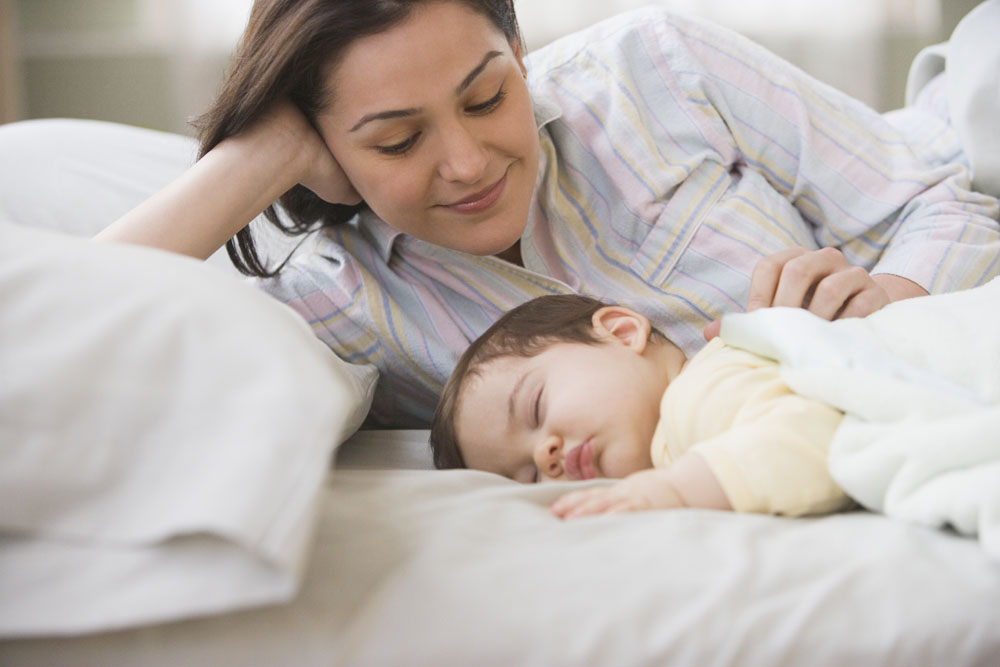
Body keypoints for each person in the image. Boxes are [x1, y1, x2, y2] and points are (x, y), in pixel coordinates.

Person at [95, 0, 1000, 428]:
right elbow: (63, 328)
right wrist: (260, 156)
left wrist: (889, 298)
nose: (468, 163)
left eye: (488, 97)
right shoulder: (343, 303)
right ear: (329, 153)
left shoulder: (655, 66)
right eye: (397, 142)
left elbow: (936, 193)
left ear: (521, 54)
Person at [428, 293, 850, 519]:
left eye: (536, 408)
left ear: (621, 332)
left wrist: (677, 489)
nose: (545, 454)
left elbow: (821, 436)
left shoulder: (703, 388)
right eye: (527, 475)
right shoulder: (675, 438)